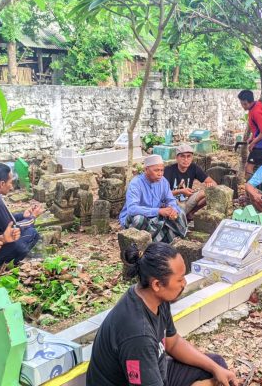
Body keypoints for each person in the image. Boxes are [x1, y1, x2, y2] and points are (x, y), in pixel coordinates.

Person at [87, 242, 239, 386]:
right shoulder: (139, 335)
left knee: (217, 365)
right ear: (157, 284)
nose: (184, 283)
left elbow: (173, 343)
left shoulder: (153, 297)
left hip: (158, 371)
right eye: (179, 279)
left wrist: (215, 368)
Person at [0, 164, 42, 278]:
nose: (11, 187)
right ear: (1, 184)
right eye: (10, 182)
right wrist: (32, 217)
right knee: (32, 233)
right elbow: (13, 228)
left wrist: (23, 215)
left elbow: (4, 219)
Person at [119, 155, 187, 243]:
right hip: (138, 217)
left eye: (162, 170)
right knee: (138, 220)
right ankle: (148, 241)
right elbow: (132, 209)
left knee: (179, 212)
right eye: (156, 170)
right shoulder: (135, 183)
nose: (160, 174)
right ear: (146, 170)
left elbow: (170, 200)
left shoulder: (163, 181)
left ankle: (170, 239)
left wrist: (172, 209)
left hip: (156, 217)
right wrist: (158, 211)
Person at [164, 144, 216, 220]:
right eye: (182, 156)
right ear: (176, 158)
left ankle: (190, 213)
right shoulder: (168, 170)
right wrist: (181, 191)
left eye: (189, 156)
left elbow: (213, 183)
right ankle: (180, 215)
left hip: (187, 201)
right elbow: (163, 194)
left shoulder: (193, 167)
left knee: (209, 193)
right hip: (172, 204)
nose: (186, 159)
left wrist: (210, 186)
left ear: (192, 158)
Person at [238, 90, 262, 178]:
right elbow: (257, 127)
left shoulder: (256, 112)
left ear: (251, 102)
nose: (243, 106)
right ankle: (256, 186)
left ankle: (250, 188)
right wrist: (252, 137)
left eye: (245, 104)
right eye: (242, 103)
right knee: (260, 167)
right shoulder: (257, 104)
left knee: (248, 167)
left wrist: (253, 142)